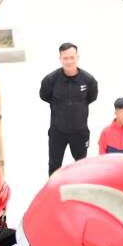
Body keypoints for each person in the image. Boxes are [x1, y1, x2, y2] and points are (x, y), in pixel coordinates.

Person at [39, 42, 98, 175]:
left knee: (81, 165)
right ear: (60, 58)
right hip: (57, 132)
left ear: (77, 57)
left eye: (72, 57)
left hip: (80, 132)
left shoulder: (88, 80)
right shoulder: (50, 80)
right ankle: (53, 193)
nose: (69, 61)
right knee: (54, 164)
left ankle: (81, 192)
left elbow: (91, 98)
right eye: (65, 58)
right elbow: (44, 96)